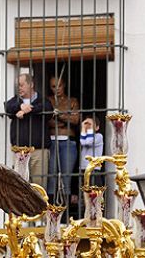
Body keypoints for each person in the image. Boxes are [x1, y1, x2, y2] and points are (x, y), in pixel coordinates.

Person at [5, 73, 53, 187]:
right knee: (20, 185)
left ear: (31, 84)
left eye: (21, 85)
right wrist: (20, 106)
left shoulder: (42, 100)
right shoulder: (15, 101)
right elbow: (8, 107)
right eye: (17, 85)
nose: (19, 88)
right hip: (20, 151)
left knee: (39, 185)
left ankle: (39, 205)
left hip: (39, 151)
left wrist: (29, 109)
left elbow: (48, 110)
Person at [47, 76, 80, 205]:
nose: (57, 89)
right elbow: (47, 121)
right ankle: (50, 211)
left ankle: (65, 214)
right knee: (51, 177)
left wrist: (59, 116)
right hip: (51, 141)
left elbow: (76, 120)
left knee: (66, 176)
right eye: (53, 87)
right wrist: (66, 119)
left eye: (59, 86)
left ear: (64, 85)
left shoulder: (72, 101)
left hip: (67, 141)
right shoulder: (48, 101)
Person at [79, 117, 104, 189]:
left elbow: (88, 142)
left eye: (90, 124)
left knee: (95, 192)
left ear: (97, 127)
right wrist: (83, 129)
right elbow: (83, 142)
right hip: (84, 169)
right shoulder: (84, 137)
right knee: (85, 192)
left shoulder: (99, 136)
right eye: (85, 123)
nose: (87, 126)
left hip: (94, 169)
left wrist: (87, 129)